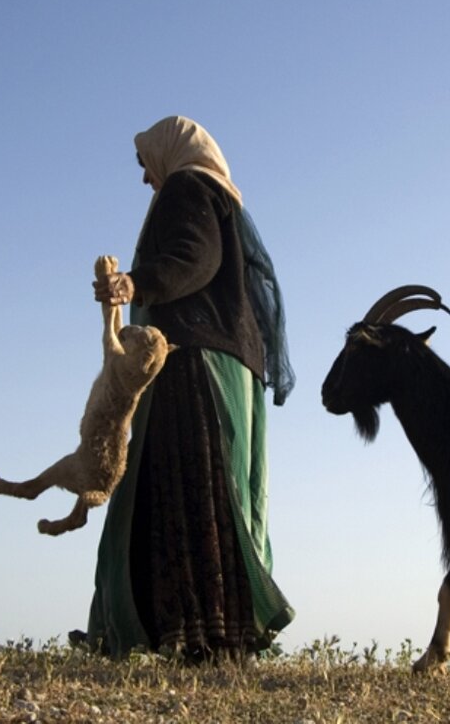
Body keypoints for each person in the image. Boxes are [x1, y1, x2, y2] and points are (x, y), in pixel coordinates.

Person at [83, 116, 295, 660]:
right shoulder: (222, 198)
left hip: (192, 359)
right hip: (224, 360)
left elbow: (193, 259)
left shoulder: (188, 186)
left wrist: (137, 283)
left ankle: (194, 632)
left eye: (144, 165)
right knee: (211, 490)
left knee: (185, 487)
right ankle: (210, 632)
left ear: (169, 152)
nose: (146, 180)